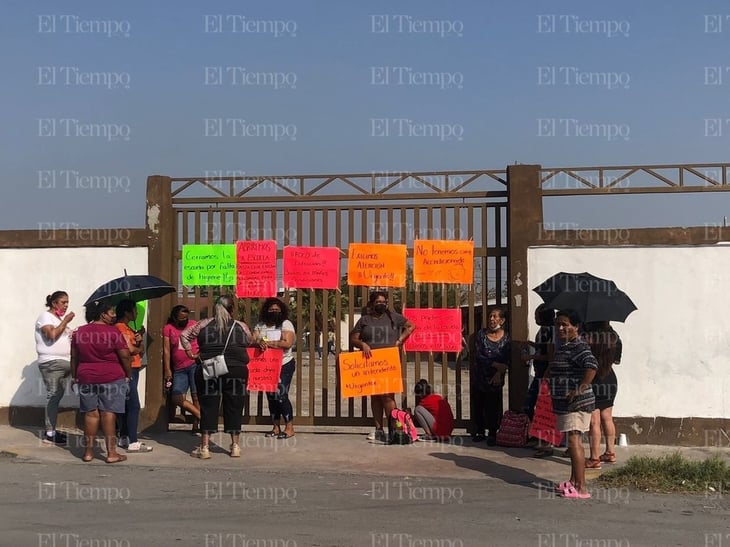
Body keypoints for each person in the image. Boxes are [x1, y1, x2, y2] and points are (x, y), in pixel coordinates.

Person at [180, 295, 252, 459]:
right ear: (232, 309)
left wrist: (191, 353)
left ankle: (204, 447)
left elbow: (184, 336)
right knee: (234, 406)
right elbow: (249, 340)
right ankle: (235, 446)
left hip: (210, 368)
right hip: (236, 370)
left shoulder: (203, 324)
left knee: (208, 406)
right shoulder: (240, 326)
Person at [70, 299, 132, 463]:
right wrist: (128, 374)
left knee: (90, 414)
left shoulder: (79, 332)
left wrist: (75, 377)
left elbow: (74, 356)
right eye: (111, 312)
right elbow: (125, 355)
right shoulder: (113, 332)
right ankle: (111, 453)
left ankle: (88, 453)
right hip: (111, 376)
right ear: (103, 314)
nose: (113, 316)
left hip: (86, 376)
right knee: (108, 413)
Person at [350, 290, 415, 443]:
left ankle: (395, 429)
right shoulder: (364, 320)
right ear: (372, 303)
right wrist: (362, 344)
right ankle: (379, 429)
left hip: (389, 363)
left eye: (384, 302)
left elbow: (411, 326)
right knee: (375, 396)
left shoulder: (393, 317)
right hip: (371, 363)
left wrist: (400, 341)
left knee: (388, 396)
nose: (381, 304)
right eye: (378, 302)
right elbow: (354, 338)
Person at [549, 309, 598, 499]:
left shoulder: (579, 346)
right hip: (565, 403)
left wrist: (578, 390)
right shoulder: (565, 345)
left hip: (576, 404)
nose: (560, 328)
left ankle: (581, 488)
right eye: (558, 324)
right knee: (572, 441)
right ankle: (572, 482)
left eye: (565, 324)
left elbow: (591, 367)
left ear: (576, 327)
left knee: (574, 441)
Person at [252, 297, 296, 439]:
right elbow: (253, 339)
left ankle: (289, 427)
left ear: (282, 311)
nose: (274, 312)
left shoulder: (286, 324)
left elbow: (287, 343)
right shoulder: (261, 325)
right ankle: (275, 426)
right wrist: (259, 342)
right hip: (266, 365)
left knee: (281, 394)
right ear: (266, 311)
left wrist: (268, 342)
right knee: (271, 396)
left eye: (277, 310)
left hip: (284, 363)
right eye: (271, 310)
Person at [34, 290, 75, 445]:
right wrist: (66, 321)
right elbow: (51, 335)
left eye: (67, 303)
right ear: (54, 303)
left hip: (64, 362)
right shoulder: (46, 317)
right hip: (52, 363)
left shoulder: (58, 319)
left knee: (57, 396)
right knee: (53, 395)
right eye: (63, 302)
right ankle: (49, 434)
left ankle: (52, 431)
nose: (66, 305)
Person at [114, 299, 153, 453]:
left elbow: (138, 349)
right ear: (126, 312)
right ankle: (133, 441)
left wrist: (139, 338)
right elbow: (129, 350)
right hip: (127, 369)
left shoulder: (128, 328)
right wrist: (138, 346)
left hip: (133, 368)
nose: (136, 313)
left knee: (126, 404)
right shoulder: (120, 328)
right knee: (133, 405)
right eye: (134, 310)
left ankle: (124, 436)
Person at [584, 321, 623, 469]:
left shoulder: (589, 338)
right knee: (607, 417)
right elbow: (617, 361)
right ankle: (610, 452)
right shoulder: (615, 338)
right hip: (610, 378)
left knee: (594, 421)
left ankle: (594, 458)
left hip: (594, 379)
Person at [469, 306, 511, 446]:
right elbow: (479, 355)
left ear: (502, 320)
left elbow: (506, 359)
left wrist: (499, 372)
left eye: (495, 316)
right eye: (490, 317)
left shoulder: (507, 337)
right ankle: (480, 431)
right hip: (480, 374)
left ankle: (493, 432)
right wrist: (495, 364)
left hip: (496, 377)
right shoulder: (481, 334)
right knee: (479, 404)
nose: (491, 319)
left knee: (493, 405)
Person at [521, 304, 556, 457]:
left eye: (537, 315)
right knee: (534, 406)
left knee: (537, 407)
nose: (535, 317)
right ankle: (538, 437)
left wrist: (531, 356)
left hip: (545, 375)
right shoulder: (544, 331)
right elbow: (543, 349)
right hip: (540, 374)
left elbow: (549, 356)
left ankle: (545, 442)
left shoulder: (550, 331)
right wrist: (531, 344)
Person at [163, 305, 201, 430]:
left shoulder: (193, 324)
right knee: (177, 398)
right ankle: (200, 416)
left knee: (196, 396)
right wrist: (168, 369)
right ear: (174, 318)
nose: (184, 320)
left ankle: (196, 425)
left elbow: (202, 340)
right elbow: (167, 350)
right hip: (179, 369)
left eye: (186, 317)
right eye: (181, 318)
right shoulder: (169, 328)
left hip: (194, 364)